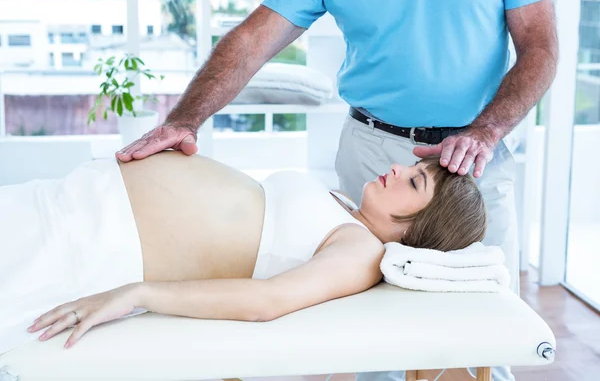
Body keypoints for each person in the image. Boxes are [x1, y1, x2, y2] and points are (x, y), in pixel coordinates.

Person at [115, 0, 558, 379]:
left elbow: (540, 46)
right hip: (372, 141)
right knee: (368, 331)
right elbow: (252, 41)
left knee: (488, 333)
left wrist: (488, 129)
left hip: (476, 151)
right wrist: (184, 119)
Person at [0, 152, 486, 354]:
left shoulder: (361, 253)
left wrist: (137, 293)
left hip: (90, 245)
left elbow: (265, 301)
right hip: (76, 202)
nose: (398, 167)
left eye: (414, 180)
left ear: (422, 227)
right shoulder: (344, 210)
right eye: (414, 166)